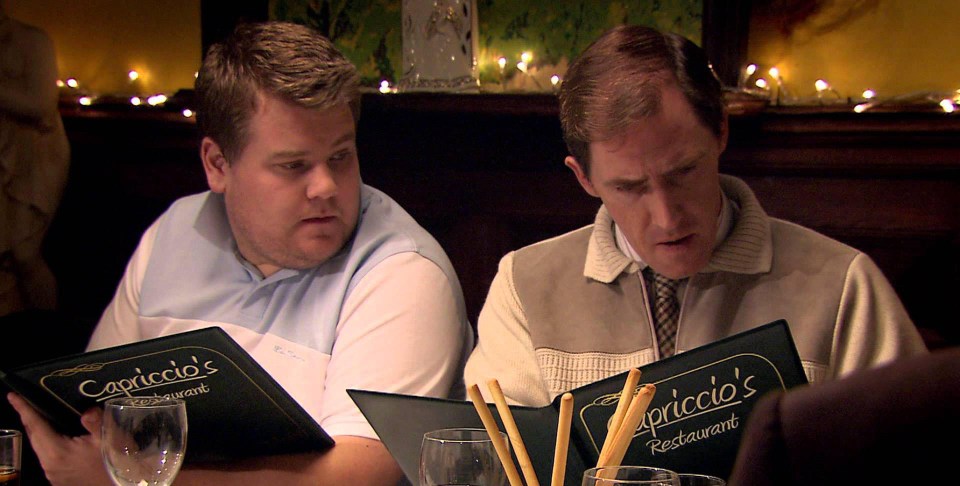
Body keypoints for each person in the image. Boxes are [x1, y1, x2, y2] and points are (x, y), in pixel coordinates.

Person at [8, 21, 473, 485]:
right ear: (217, 164)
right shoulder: (174, 233)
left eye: (340, 156)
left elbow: (354, 477)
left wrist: (129, 478)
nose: (326, 187)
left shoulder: (402, 271)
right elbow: (98, 415)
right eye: (293, 166)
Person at [464, 24, 927, 407]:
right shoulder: (525, 285)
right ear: (583, 178)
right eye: (629, 188)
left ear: (721, 131)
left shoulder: (844, 286)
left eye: (684, 172)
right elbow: (490, 464)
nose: (667, 218)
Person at [0, 2, 69, 316]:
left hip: (34, 156)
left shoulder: (32, 40)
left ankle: (47, 337)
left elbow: (41, 105)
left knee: (24, 251)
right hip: (5, 155)